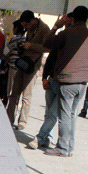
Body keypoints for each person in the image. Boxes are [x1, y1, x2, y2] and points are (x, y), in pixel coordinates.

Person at [43, 0, 88, 157]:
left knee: (64, 116)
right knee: (72, 116)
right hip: (83, 83)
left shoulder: (67, 33)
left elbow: (47, 43)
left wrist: (56, 26)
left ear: (73, 19)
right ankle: (69, 148)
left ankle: (62, 148)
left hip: (67, 81)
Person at [28, 12, 75, 150]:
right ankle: (48, 137)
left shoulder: (75, 43)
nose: (66, 27)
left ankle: (39, 138)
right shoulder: (60, 38)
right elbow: (49, 59)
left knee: (53, 115)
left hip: (63, 84)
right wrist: (44, 78)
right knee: (49, 113)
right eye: (65, 24)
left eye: (68, 23)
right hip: (52, 81)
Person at [6, 10, 50, 130]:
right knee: (14, 93)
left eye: (26, 25)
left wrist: (31, 46)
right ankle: (9, 119)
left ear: (32, 20)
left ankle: (22, 122)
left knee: (27, 95)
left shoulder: (44, 28)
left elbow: (48, 48)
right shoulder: (30, 28)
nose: (25, 28)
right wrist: (22, 45)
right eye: (24, 26)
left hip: (33, 65)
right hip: (23, 62)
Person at [4, 20, 25, 100]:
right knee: (17, 90)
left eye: (13, 28)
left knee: (10, 89)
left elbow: (5, 52)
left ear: (16, 28)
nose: (13, 30)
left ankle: (9, 106)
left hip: (13, 67)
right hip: (21, 68)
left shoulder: (14, 39)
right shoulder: (25, 39)